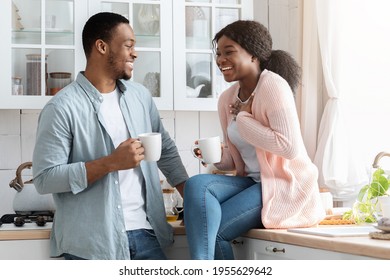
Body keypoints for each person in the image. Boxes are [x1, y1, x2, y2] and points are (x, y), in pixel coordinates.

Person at [32, 12, 188, 260]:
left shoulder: (140, 97)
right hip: (92, 245)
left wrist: (191, 198)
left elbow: (165, 149)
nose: (135, 53)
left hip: (147, 235)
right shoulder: (62, 107)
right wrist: (110, 163)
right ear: (102, 47)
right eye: (128, 45)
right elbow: (45, 178)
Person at [184, 20, 325, 260]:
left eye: (229, 52)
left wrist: (243, 119)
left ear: (253, 55)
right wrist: (215, 155)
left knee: (213, 231)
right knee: (197, 185)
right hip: (251, 182)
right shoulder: (227, 98)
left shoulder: (273, 87)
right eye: (218, 53)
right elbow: (234, 159)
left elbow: (287, 147)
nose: (220, 60)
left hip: (283, 185)